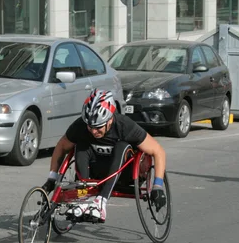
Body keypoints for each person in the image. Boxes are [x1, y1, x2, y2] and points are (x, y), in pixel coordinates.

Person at [41, 89, 167, 223]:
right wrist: (52, 178)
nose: (94, 131)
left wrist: (157, 186)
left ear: (110, 119)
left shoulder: (124, 125)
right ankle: (83, 198)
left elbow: (158, 151)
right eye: (91, 127)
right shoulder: (82, 125)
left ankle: (101, 202)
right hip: (96, 173)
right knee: (81, 144)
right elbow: (61, 147)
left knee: (121, 146)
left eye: (98, 127)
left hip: (124, 174)